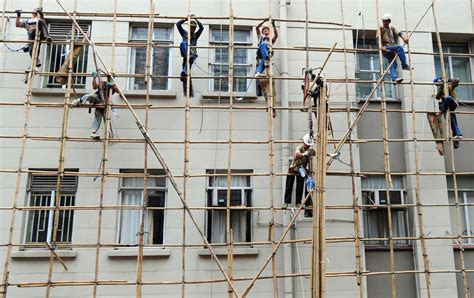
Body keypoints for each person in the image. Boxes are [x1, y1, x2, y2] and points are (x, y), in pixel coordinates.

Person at [71, 72, 118, 139]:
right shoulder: (103, 83)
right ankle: (78, 101)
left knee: (104, 119)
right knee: (90, 95)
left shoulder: (112, 86)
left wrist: (112, 85)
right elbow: (94, 86)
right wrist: (94, 78)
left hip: (106, 103)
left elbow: (118, 91)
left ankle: (106, 134)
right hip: (98, 100)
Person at [282, 134, 315, 212]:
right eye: (307, 144)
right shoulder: (300, 148)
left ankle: (298, 202)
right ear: (304, 142)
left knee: (300, 186)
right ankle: (286, 202)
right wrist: (304, 154)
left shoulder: (311, 150)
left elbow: (318, 154)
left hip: (302, 169)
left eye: (309, 144)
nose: (307, 146)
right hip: (294, 168)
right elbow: (297, 154)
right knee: (289, 185)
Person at [378, 13, 412, 83]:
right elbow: (377, 38)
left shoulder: (392, 28)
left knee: (393, 63)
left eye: (386, 21)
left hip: (392, 49)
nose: (384, 22)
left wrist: (404, 37)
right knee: (399, 48)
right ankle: (404, 65)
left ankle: (394, 78)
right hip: (386, 47)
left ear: (389, 21)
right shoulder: (381, 29)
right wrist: (381, 46)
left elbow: (399, 33)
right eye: (383, 21)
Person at [176, 16, 204, 97]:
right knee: (183, 43)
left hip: (192, 54)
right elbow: (178, 25)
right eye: (191, 27)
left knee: (189, 62)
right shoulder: (184, 33)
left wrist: (196, 20)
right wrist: (185, 19)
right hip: (185, 52)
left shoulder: (196, 35)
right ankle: (188, 58)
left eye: (194, 28)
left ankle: (184, 72)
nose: (193, 29)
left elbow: (202, 28)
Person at [433, 77, 463, 147]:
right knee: (452, 121)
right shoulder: (441, 89)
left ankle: (441, 112)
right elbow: (437, 97)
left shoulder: (449, 84)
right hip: (446, 106)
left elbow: (457, 80)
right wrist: (440, 91)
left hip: (452, 102)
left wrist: (447, 81)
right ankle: (458, 134)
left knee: (448, 98)